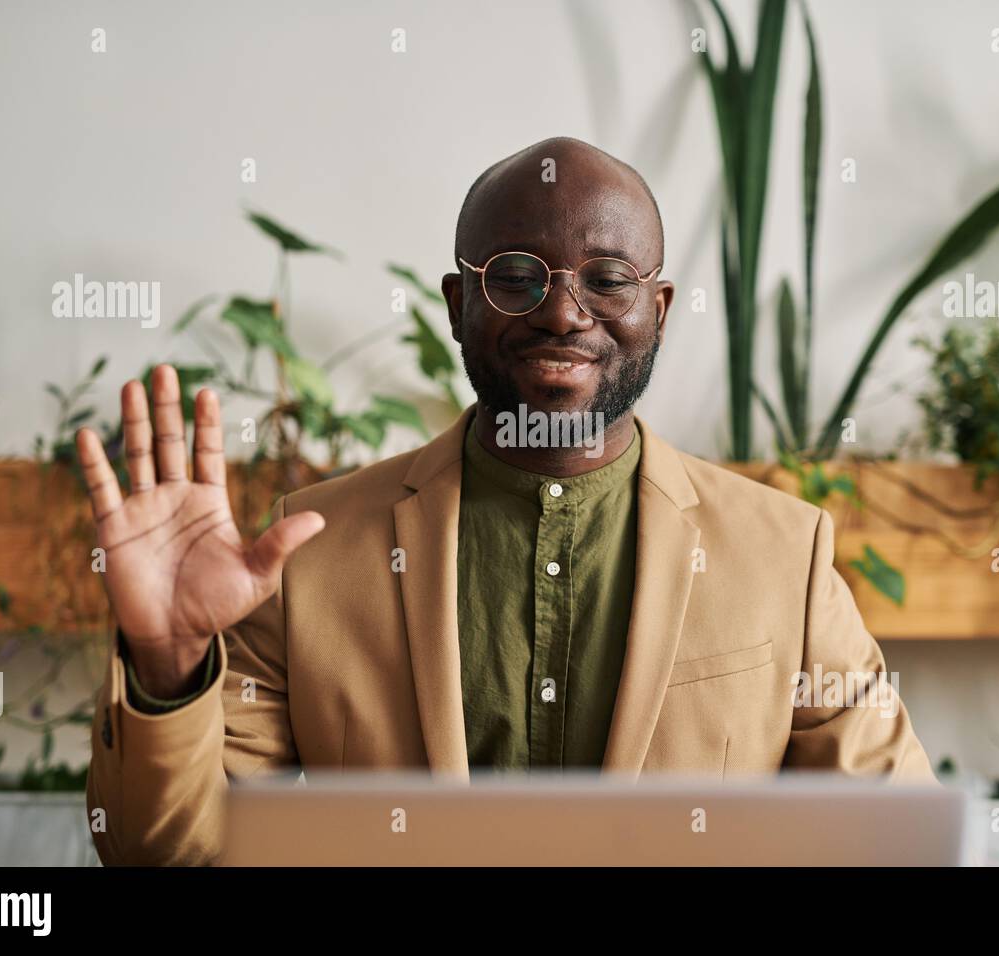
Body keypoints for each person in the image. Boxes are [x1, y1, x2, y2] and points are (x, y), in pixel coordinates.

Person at [79, 137, 934, 866]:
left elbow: (894, 844)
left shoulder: (785, 554)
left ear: (659, 309)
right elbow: (161, 851)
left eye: (607, 278)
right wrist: (167, 669)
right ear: (457, 306)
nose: (563, 313)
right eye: (516, 276)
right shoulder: (311, 552)